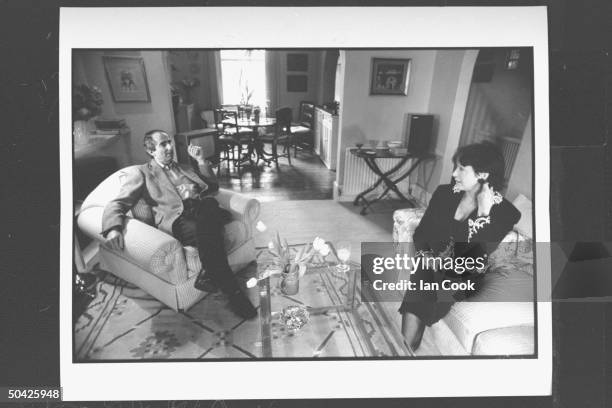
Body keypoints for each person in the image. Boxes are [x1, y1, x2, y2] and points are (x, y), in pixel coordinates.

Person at [101, 129, 257, 319]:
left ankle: (211, 272)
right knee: (209, 211)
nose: (169, 147)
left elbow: (213, 186)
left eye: (169, 142)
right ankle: (235, 294)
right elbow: (118, 203)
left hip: (204, 212)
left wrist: (200, 161)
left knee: (208, 203)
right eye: (163, 144)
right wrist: (112, 228)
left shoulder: (184, 167)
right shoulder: (141, 173)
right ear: (151, 151)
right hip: (179, 221)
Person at [399, 141, 521, 350]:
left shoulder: (505, 213)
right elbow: (422, 234)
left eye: (462, 169)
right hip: (432, 264)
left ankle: (402, 351)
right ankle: (403, 350)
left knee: (424, 287)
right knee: (422, 281)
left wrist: (484, 215)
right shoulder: (444, 194)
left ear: (483, 174)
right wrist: (428, 257)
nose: (454, 173)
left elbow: (475, 254)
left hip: (463, 274)